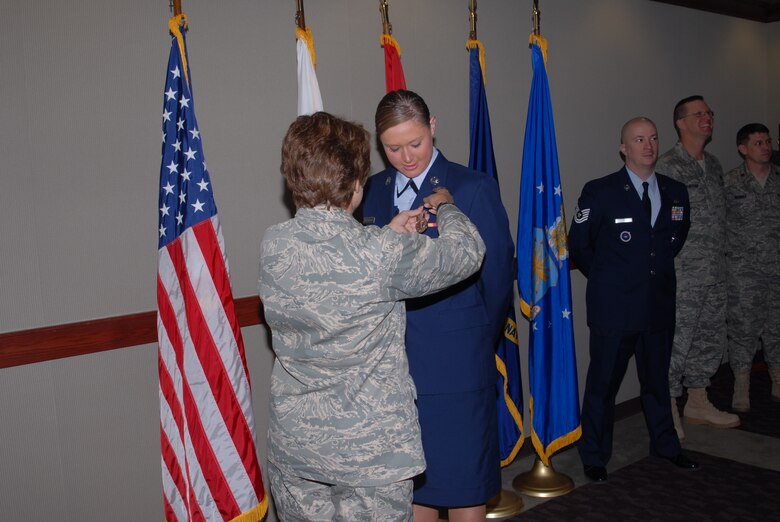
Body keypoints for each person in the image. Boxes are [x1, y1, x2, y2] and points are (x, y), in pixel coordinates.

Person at [259, 111, 486, 521]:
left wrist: (388, 235)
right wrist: (447, 209)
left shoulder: (274, 243)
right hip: (370, 454)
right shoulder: (380, 254)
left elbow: (337, 261)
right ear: (356, 186)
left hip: (297, 447)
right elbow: (467, 253)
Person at [360, 90, 514, 522]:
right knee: (412, 486)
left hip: (455, 364)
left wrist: (475, 341)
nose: (407, 157)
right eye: (393, 148)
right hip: (392, 370)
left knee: (463, 484)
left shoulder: (472, 187)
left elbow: (496, 278)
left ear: (433, 127)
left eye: (416, 143)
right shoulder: (372, 192)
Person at [570, 117, 698, 483]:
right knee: (603, 385)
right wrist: (610, 279)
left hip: (657, 306)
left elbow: (674, 238)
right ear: (623, 148)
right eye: (639, 139)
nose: (649, 145)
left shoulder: (675, 191)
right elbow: (579, 244)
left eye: (653, 138)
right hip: (615, 309)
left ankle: (666, 446)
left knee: (658, 382)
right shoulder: (601, 191)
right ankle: (594, 455)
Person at [656, 95, 740, 440]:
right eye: (699, 114)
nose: (707, 118)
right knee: (677, 343)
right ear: (681, 122)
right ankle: (667, 409)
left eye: (709, 113)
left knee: (708, 340)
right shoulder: (667, 167)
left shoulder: (715, 165)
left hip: (715, 272)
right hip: (684, 274)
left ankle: (698, 402)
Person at [723, 123, 780, 411]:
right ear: (743, 148)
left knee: (777, 328)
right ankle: (741, 384)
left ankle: (778, 378)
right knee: (743, 330)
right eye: (758, 143)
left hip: (777, 269)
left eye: (767, 141)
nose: (766, 147)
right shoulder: (729, 183)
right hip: (743, 274)